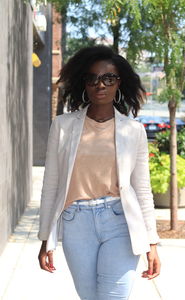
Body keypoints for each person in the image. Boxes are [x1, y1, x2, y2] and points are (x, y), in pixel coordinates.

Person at [38, 45, 161, 300]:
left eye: (109, 78)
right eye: (93, 78)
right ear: (84, 83)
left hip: (120, 222)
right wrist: (45, 237)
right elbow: (51, 185)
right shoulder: (62, 126)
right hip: (76, 222)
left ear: (119, 83)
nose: (100, 84)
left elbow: (142, 189)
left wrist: (151, 242)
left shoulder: (133, 130)